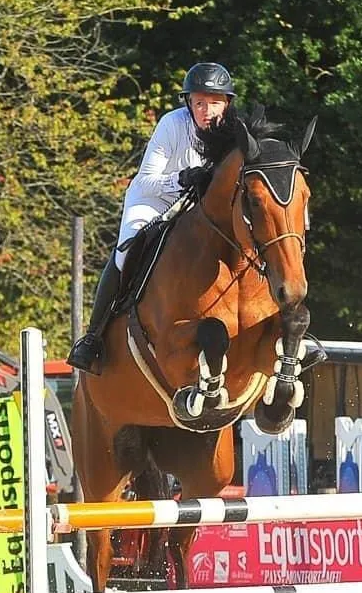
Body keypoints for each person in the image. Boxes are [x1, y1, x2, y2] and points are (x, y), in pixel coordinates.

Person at [66, 62, 236, 375]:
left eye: (214, 102)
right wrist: (183, 178)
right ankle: (93, 337)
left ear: (226, 104)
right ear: (188, 103)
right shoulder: (172, 124)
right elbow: (145, 181)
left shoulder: (233, 134)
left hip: (196, 212)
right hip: (153, 203)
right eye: (199, 102)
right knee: (125, 253)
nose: (206, 111)